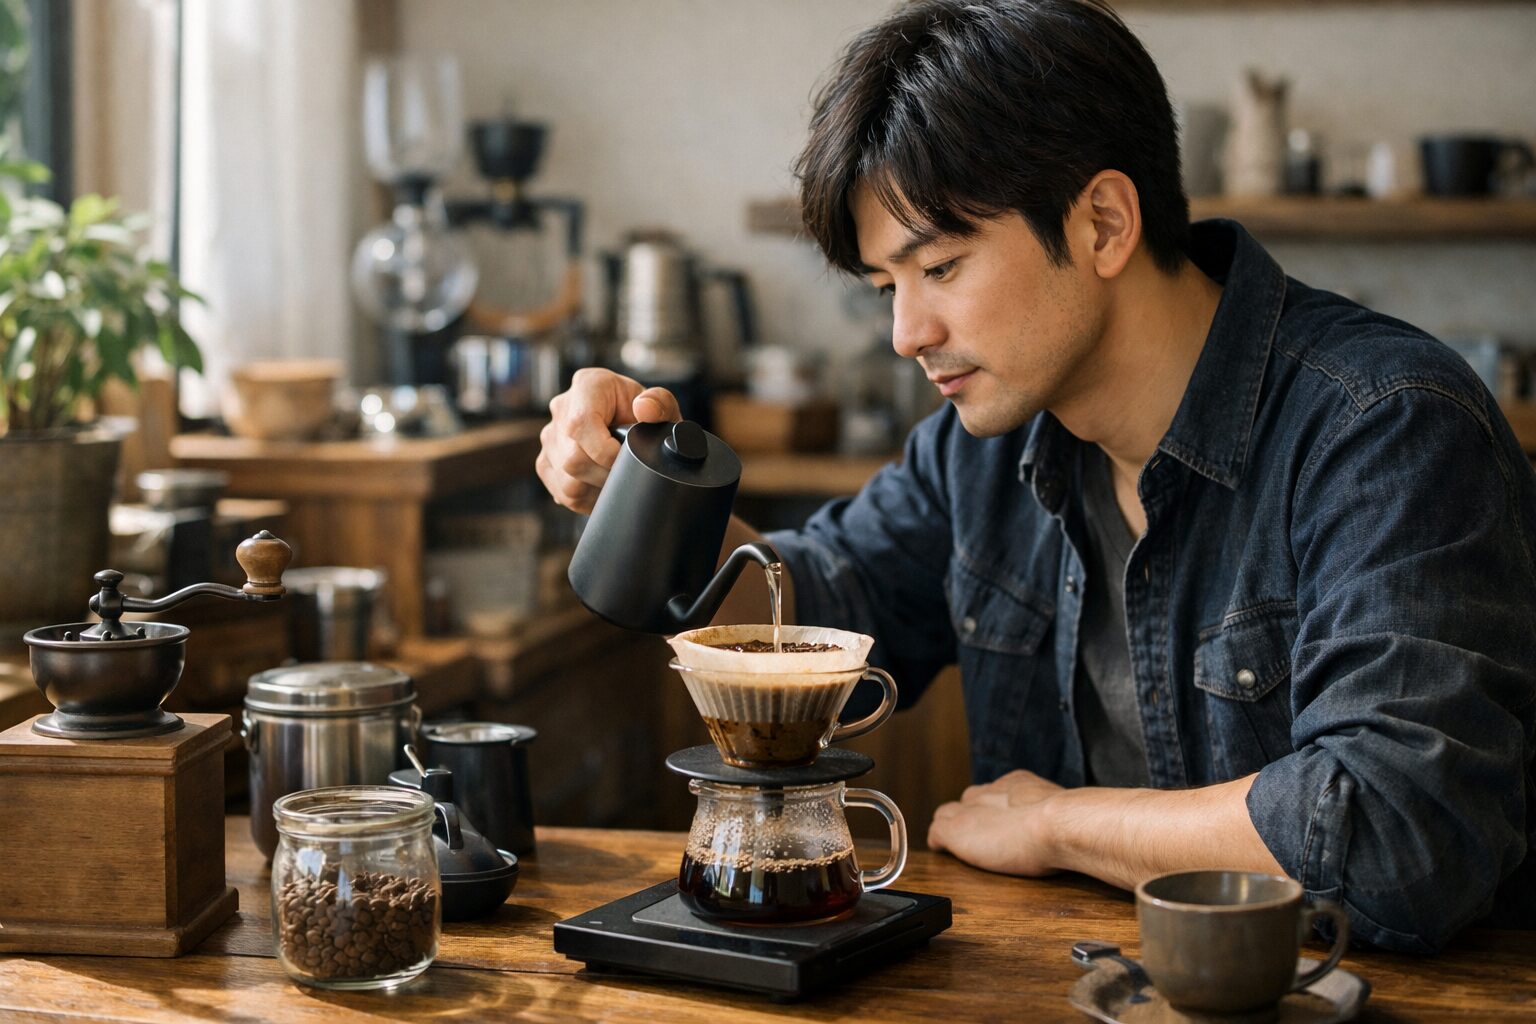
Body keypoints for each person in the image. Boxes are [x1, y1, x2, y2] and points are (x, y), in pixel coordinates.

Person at [536, 0, 1535, 951]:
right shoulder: (974, 451)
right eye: (888, 287)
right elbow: (811, 614)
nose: (905, 334)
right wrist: (641, 494)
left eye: (941, 268)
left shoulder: (1386, 426)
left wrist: (1061, 824)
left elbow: (1404, 830)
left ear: (1103, 222)